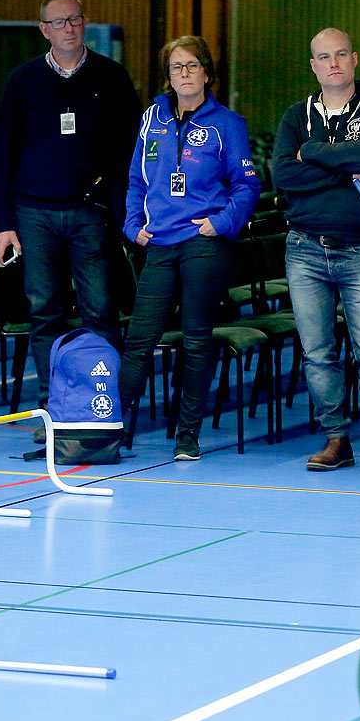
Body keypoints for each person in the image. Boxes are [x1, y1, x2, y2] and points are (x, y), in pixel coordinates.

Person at [0, 0, 142, 416]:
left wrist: (118, 209)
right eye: (58, 22)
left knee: (100, 312)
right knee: (45, 313)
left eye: (75, 19)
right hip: (33, 213)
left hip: (90, 215)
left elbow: (132, 150)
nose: (69, 28)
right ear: (44, 30)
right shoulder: (22, 81)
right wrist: (4, 223)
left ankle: (103, 408)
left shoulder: (112, 77)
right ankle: (52, 409)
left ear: (84, 21)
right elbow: (3, 154)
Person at [270, 28, 360, 481]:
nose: (332, 63)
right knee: (318, 354)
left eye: (340, 55)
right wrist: (340, 166)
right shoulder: (296, 115)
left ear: (354, 59)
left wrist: (312, 154)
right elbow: (283, 176)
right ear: (313, 65)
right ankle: (336, 439)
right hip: (304, 249)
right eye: (323, 57)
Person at [117, 36, 259, 460]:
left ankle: (187, 435)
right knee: (140, 340)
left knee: (196, 340)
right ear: (168, 77)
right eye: (176, 67)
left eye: (192, 66)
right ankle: (115, 429)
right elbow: (136, 180)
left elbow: (247, 184)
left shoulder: (226, 123)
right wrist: (132, 226)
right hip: (158, 243)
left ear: (207, 73)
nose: (184, 74)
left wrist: (222, 222)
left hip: (203, 243)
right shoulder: (151, 118)